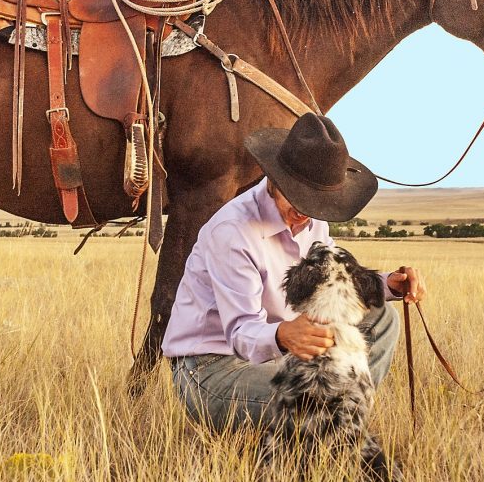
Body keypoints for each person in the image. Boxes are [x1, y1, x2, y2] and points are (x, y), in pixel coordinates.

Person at [162, 113, 425, 432]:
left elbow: (329, 283)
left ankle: (342, 420)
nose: (305, 213)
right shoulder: (233, 232)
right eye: (298, 197)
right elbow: (241, 333)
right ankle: (330, 430)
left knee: (383, 319)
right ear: (274, 178)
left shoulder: (314, 219)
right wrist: (283, 334)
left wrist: (389, 285)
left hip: (281, 352)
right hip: (211, 368)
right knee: (320, 401)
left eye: (316, 203)